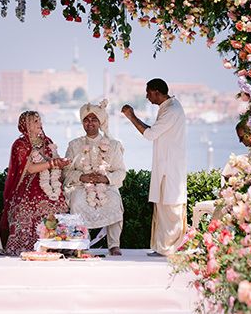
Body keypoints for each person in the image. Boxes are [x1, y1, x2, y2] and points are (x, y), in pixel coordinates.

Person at [121, 78, 187, 257]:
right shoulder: (168, 108)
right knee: (163, 207)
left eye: (148, 92)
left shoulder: (172, 110)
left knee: (170, 207)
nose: (146, 96)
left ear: (157, 92)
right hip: (166, 165)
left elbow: (150, 135)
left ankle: (170, 248)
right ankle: (163, 247)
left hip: (170, 167)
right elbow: (156, 132)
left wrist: (131, 116)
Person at [1, 111, 70, 256]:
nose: (40, 124)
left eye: (39, 120)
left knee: (59, 204)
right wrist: (53, 163)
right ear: (26, 126)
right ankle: (27, 244)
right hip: (27, 184)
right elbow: (30, 168)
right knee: (26, 207)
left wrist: (61, 163)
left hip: (50, 183)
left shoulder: (47, 141)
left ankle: (57, 244)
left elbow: (55, 160)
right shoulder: (20, 144)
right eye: (35, 122)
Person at [63, 99, 126, 256]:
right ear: (82, 123)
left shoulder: (114, 145)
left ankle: (114, 245)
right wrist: (82, 177)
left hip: (106, 186)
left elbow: (121, 172)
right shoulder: (74, 145)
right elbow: (66, 172)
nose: (90, 123)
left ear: (100, 122)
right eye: (86, 119)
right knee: (77, 202)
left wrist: (106, 179)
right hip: (80, 185)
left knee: (114, 200)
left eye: (94, 119)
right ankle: (82, 243)